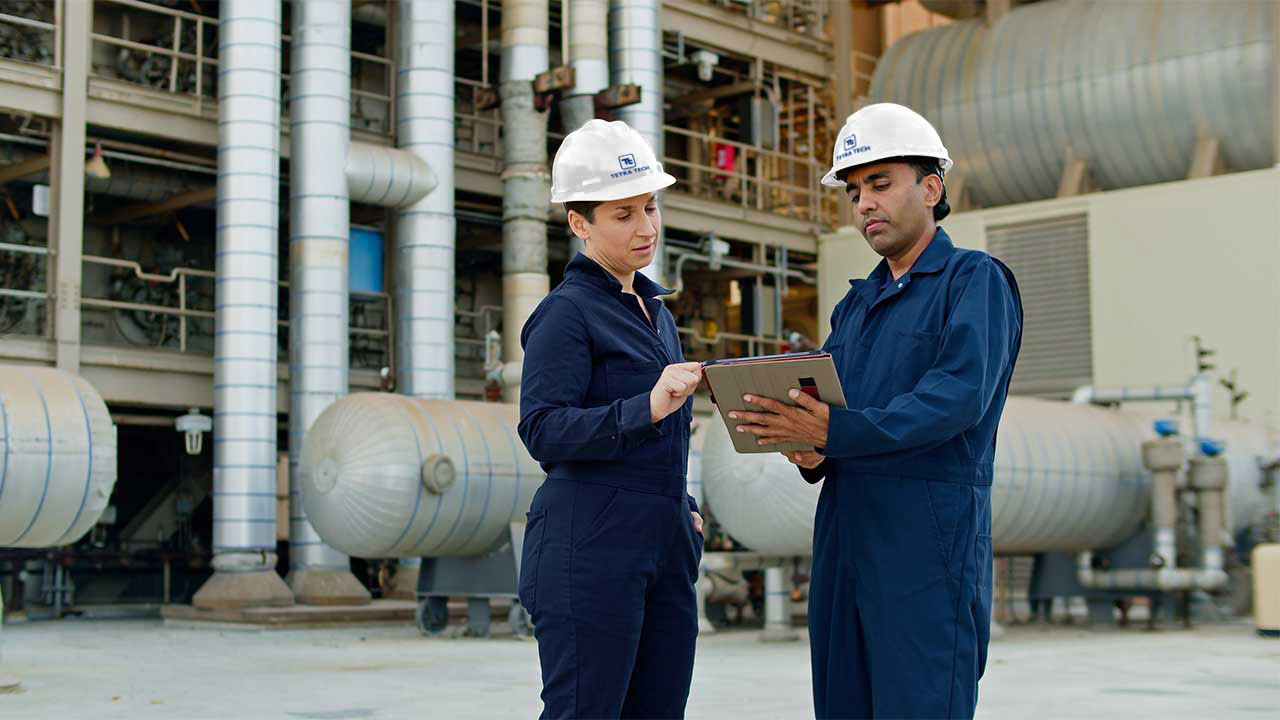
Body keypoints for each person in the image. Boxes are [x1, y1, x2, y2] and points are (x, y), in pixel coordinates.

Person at [728, 103, 1023, 719]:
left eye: (881, 184)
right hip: (844, 542)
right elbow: (830, 415)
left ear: (932, 187)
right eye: (855, 190)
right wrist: (808, 448)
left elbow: (957, 396)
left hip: (927, 547)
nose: (864, 203)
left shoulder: (974, 281)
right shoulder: (854, 309)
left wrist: (837, 430)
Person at [517, 119, 705, 719]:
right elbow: (542, 428)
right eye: (622, 214)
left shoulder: (656, 313)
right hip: (589, 546)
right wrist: (645, 407)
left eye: (648, 207)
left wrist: (686, 510)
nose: (646, 227)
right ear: (580, 223)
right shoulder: (566, 314)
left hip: (662, 543)